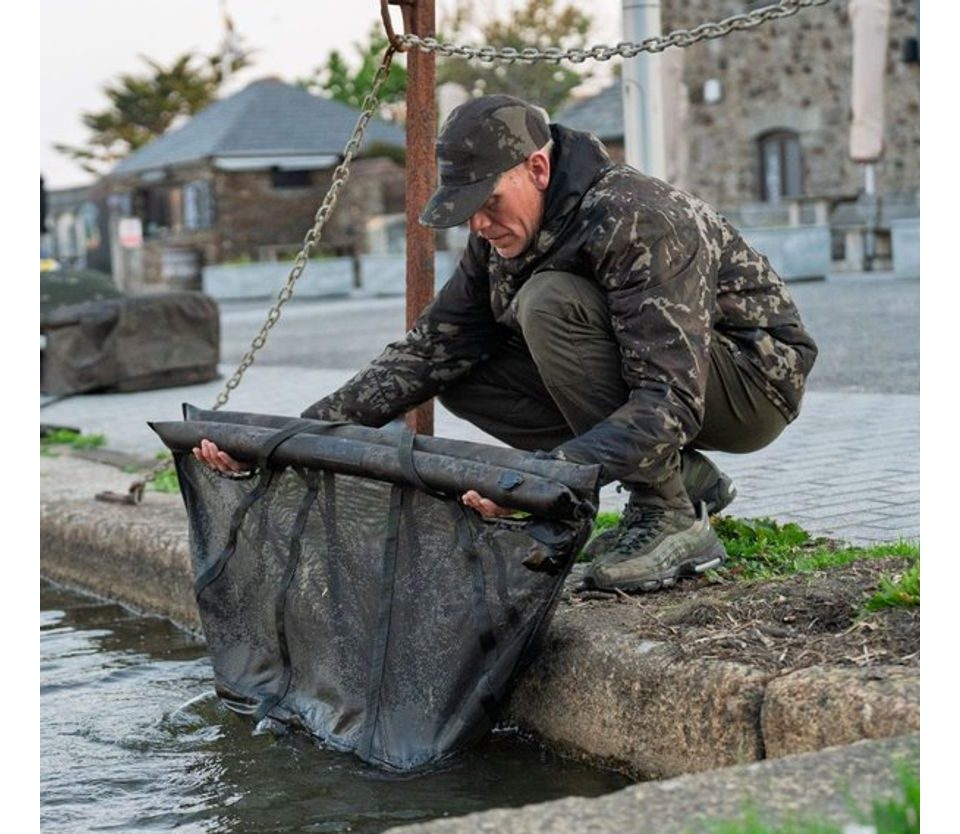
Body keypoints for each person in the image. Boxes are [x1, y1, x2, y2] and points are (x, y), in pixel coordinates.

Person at [195, 94, 817, 594]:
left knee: (548, 303)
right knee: (459, 367)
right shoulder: (499, 235)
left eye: (489, 202)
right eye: (468, 211)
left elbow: (670, 399)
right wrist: (291, 442)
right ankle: (680, 477)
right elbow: (429, 352)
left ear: (538, 168)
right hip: (669, 389)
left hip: (751, 385)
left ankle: (669, 514)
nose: (481, 225)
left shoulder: (636, 216)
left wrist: (539, 481)